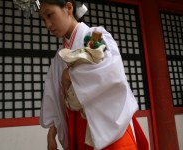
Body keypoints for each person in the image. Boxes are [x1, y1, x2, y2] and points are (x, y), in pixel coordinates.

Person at [38, 0, 149, 150]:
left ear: (69, 8)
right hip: (78, 124)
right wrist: (52, 133)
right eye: (43, 19)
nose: (48, 25)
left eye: (50, 15)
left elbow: (113, 73)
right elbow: (54, 97)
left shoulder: (95, 36)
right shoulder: (58, 58)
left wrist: (70, 75)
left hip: (107, 120)